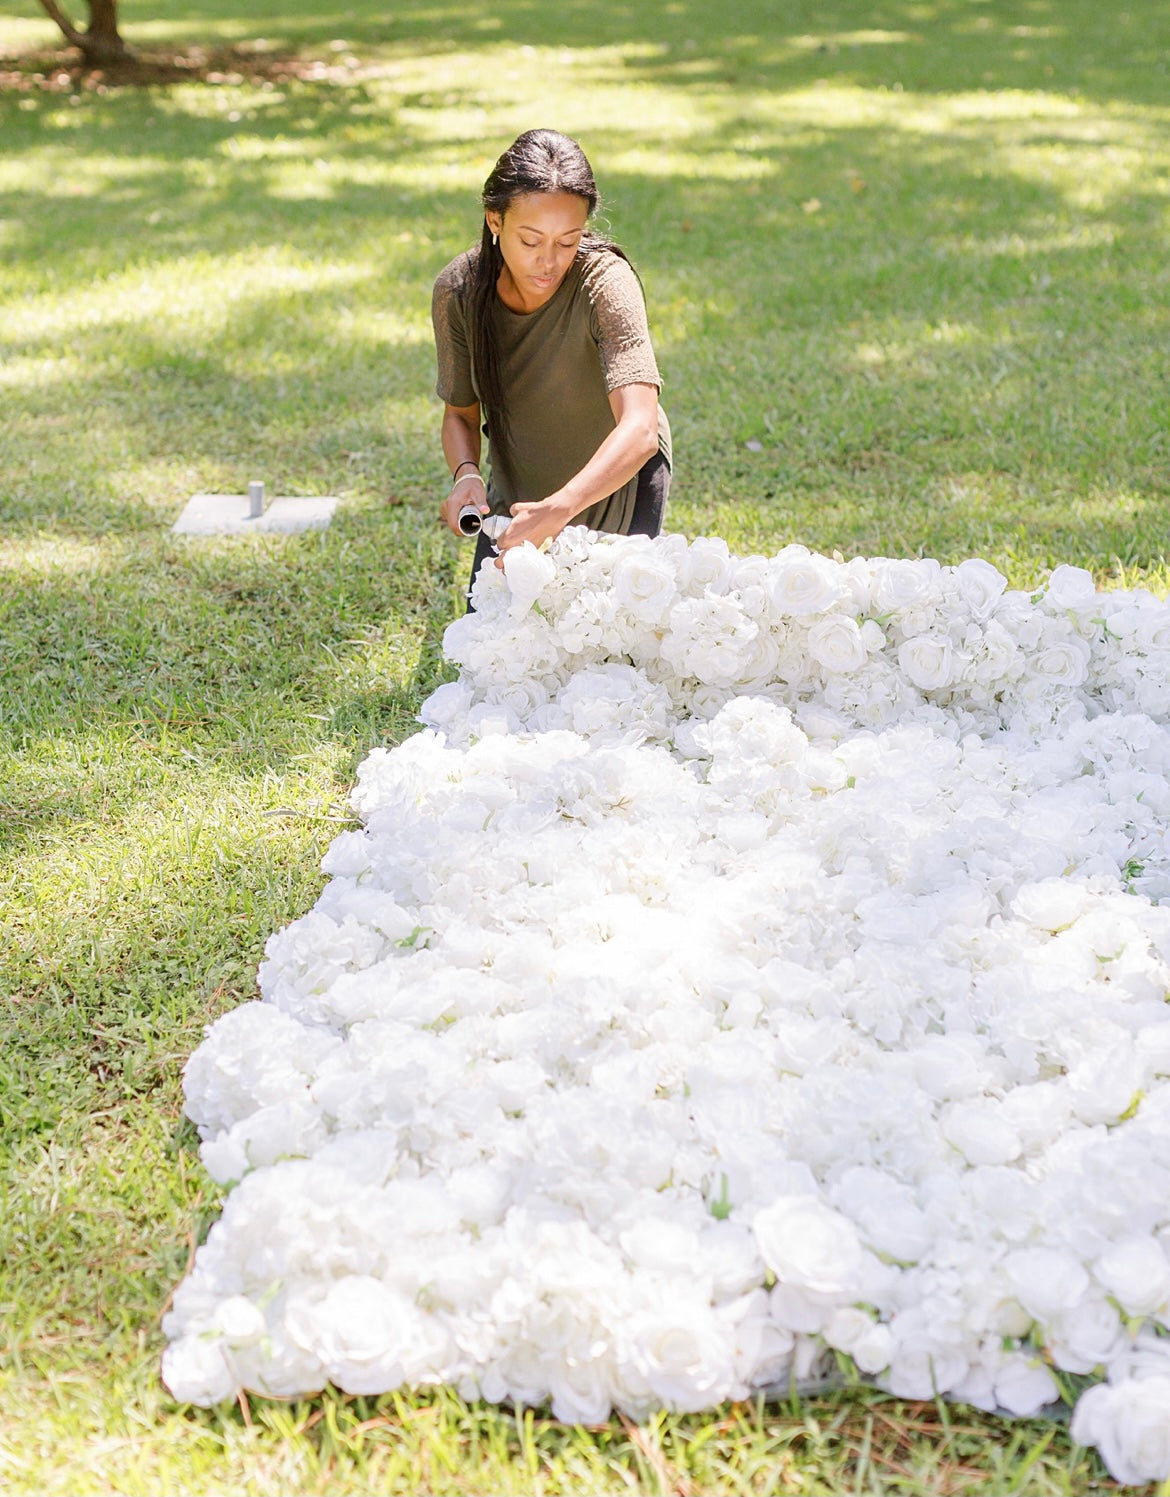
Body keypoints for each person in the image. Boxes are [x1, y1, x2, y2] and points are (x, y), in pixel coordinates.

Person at [431, 128, 672, 598]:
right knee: (496, 651)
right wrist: (467, 475)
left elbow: (640, 429)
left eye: (568, 241)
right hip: (520, 485)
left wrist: (561, 508)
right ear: (494, 220)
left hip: (617, 479)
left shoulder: (605, 281)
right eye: (531, 240)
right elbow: (460, 414)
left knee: (604, 647)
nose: (548, 261)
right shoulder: (458, 291)